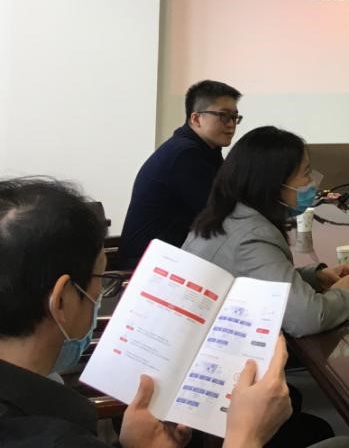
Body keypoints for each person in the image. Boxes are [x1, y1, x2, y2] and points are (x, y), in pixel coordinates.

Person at [0, 176, 292, 448]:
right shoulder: (52, 438)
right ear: (62, 300)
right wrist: (245, 436)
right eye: (101, 278)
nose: (100, 294)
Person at [183, 126, 349, 337]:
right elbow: (307, 318)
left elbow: (258, 278)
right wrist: (344, 294)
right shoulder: (253, 237)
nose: (312, 183)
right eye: (306, 174)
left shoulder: (228, 214)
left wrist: (315, 278)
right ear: (274, 183)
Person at [118, 80, 243, 269]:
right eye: (223, 116)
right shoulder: (184, 154)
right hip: (146, 267)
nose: (231, 124)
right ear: (196, 119)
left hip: (173, 259)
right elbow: (220, 212)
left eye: (235, 117)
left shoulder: (208, 150)